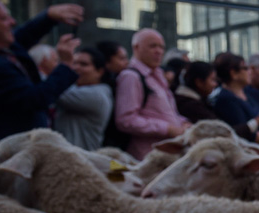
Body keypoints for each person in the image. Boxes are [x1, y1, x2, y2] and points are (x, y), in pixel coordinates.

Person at [0, 0, 83, 151]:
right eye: (3, 18)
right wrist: (65, 66)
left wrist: (49, 16)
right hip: (12, 154)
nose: (12, 22)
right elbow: (35, 99)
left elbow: (23, 36)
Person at [113, 28, 190, 159]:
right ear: (136, 48)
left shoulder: (156, 76)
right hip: (146, 158)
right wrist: (168, 129)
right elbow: (125, 120)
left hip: (164, 156)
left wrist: (184, 123)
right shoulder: (131, 77)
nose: (159, 51)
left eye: (161, 47)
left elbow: (166, 113)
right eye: (152, 46)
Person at [53, 46, 113, 150]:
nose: (76, 68)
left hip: (79, 160)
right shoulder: (77, 88)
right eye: (74, 63)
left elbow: (53, 91)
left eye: (83, 64)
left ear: (99, 71)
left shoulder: (96, 95)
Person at [212, 53, 259, 144]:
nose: (250, 72)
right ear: (234, 73)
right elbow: (240, 132)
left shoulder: (248, 92)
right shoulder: (226, 99)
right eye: (246, 68)